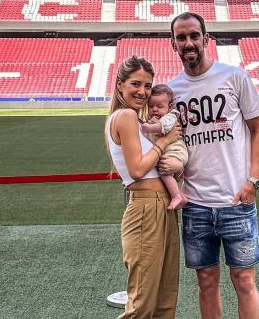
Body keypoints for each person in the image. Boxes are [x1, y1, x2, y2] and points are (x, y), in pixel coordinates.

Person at [161, 12, 259, 319]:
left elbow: (258, 130)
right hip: (195, 205)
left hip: (236, 201)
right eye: (181, 37)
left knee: (244, 281)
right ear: (173, 44)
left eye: (194, 35)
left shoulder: (234, 77)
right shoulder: (172, 92)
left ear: (206, 39)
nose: (189, 42)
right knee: (206, 283)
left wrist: (253, 181)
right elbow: (172, 143)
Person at [105, 56, 182, 319]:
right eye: (136, 84)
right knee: (143, 302)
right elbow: (138, 170)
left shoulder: (138, 122)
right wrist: (165, 141)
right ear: (119, 85)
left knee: (164, 296)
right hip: (145, 207)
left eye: (148, 86)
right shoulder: (125, 116)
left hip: (162, 207)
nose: (143, 92)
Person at [141, 84, 189, 210]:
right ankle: (180, 196)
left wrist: (148, 127)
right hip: (169, 152)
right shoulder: (153, 118)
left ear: (170, 106)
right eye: (151, 106)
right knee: (164, 172)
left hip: (175, 151)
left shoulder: (170, 116)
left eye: (159, 106)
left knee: (164, 172)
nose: (155, 109)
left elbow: (163, 127)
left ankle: (176, 196)